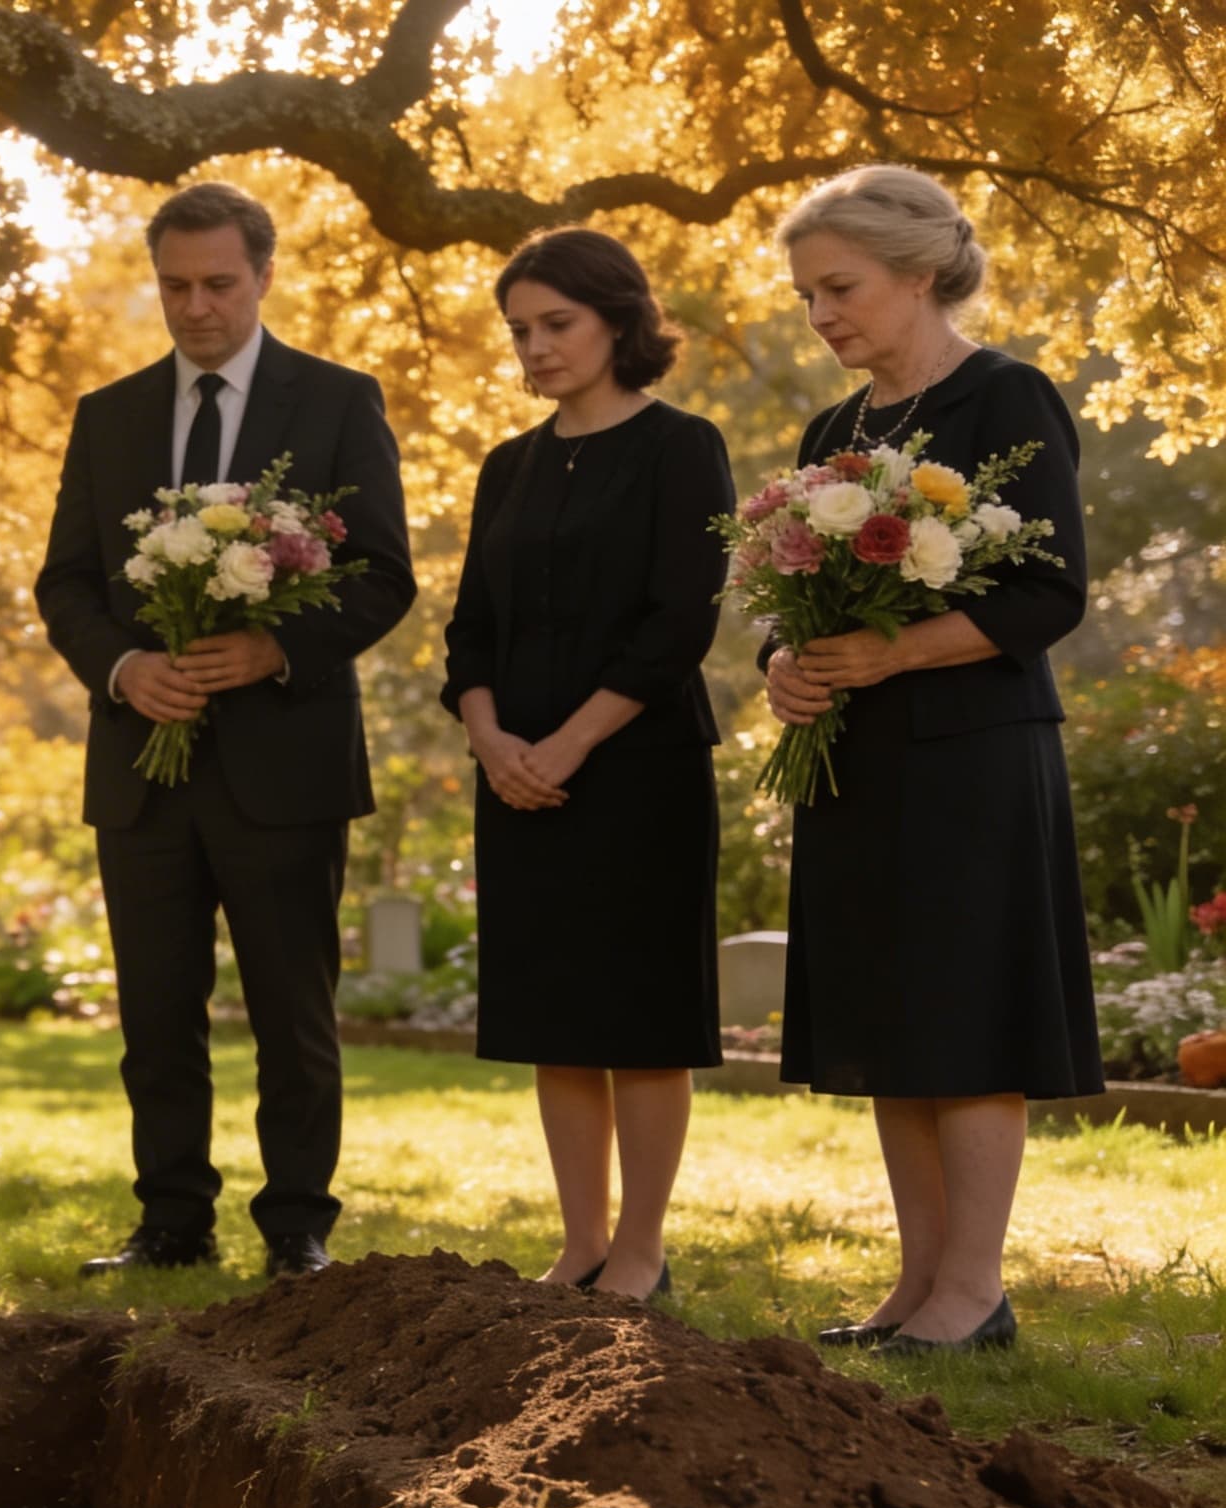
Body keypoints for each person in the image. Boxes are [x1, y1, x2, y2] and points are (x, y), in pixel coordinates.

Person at [34, 182, 415, 1280]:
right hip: (141, 769)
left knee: (293, 1012)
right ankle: (169, 1222)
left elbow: (383, 574)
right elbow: (64, 582)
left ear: (264, 275)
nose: (195, 306)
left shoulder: (340, 401)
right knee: (156, 1017)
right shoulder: (107, 415)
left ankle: (297, 1225)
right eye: (174, 285)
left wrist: (273, 649)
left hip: (285, 763)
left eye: (217, 283)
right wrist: (124, 666)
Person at [765, 166, 1102, 1353]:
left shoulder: (1009, 397)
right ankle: (918, 1285)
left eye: (839, 288)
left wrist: (889, 652)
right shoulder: (830, 429)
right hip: (859, 762)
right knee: (893, 1025)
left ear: (918, 272)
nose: (820, 316)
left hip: (973, 762)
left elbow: (1050, 594)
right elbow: (788, 597)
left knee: (964, 1020)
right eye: (807, 295)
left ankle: (975, 1288)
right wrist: (786, 665)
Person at [439, 228, 732, 1301]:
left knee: (642, 1020)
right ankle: (581, 1243)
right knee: (554, 1019)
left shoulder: (682, 445)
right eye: (520, 329)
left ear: (619, 318)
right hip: (514, 774)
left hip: (637, 770)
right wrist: (488, 736)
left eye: (555, 323)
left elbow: (677, 623)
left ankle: (644, 1250)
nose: (535, 346)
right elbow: (470, 627)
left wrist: (567, 740)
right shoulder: (506, 465)